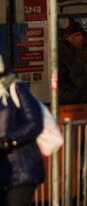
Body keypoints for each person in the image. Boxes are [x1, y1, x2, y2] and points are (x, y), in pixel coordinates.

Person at [0, 53, 45, 206]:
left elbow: (35, 123)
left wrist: (9, 141)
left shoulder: (15, 88)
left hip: (21, 168)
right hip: (4, 170)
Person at [58, 19, 87, 103]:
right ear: (68, 37)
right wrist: (75, 95)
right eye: (77, 35)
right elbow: (61, 83)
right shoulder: (63, 54)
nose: (81, 38)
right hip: (74, 103)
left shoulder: (86, 52)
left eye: (82, 34)